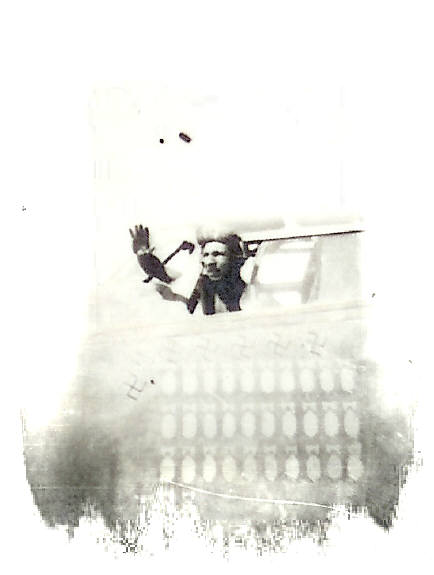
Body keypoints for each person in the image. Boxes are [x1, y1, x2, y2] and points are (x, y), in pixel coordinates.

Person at [155, 233, 249, 315]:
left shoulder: (248, 286)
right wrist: (173, 297)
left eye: (217, 254)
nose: (210, 262)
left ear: (233, 259)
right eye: (206, 255)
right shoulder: (204, 283)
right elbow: (191, 307)